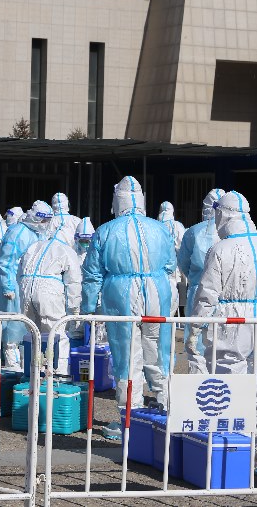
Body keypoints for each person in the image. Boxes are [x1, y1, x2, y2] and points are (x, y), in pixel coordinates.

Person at [193, 191, 257, 438]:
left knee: (228, 379)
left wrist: (196, 326)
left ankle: (235, 441)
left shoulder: (220, 249)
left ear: (222, 215)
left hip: (231, 321)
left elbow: (207, 294)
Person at [81, 177, 176, 415]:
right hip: (157, 291)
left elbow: (93, 275)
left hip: (120, 294)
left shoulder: (105, 230)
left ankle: (129, 414)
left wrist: (88, 308)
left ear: (117, 201)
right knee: (158, 348)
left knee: (126, 353)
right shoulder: (160, 229)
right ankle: (167, 406)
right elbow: (170, 266)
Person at [18, 218, 81, 375]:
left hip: (26, 290)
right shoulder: (66, 251)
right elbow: (73, 283)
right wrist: (74, 309)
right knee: (56, 333)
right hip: (49, 293)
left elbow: (19, 272)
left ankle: (33, 373)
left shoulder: (34, 246)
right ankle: (58, 374)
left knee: (33, 333)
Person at [0, 200, 53, 371]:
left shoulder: (38, 234)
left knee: (28, 326)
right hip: (14, 284)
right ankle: (12, 363)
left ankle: (27, 363)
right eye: (43, 220)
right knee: (13, 325)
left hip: (29, 285)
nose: (45, 224)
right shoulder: (17, 232)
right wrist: (7, 286)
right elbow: (5, 261)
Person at [178, 189, 225, 374]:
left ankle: (198, 383)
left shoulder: (193, 232)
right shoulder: (230, 233)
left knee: (196, 341)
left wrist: (196, 278)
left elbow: (183, 262)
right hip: (225, 294)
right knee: (224, 342)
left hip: (198, 290)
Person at [158, 201, 186, 316]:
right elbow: (183, 246)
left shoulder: (155, 225)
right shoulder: (177, 226)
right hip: (175, 267)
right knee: (176, 292)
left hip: (158, 267)